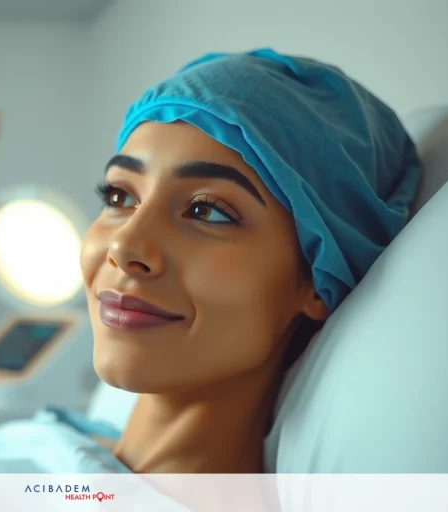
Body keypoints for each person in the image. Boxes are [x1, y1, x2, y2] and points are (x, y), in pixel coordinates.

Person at [80, 49, 421, 473]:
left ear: (316, 276)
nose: (124, 246)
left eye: (206, 211)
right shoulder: (45, 448)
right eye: (120, 196)